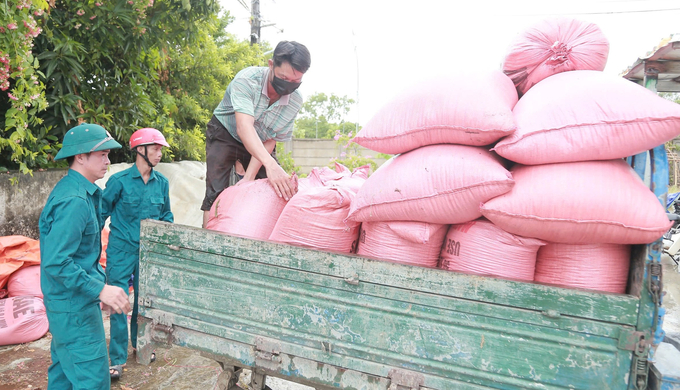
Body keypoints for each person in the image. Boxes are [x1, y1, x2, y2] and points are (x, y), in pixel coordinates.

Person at [39, 123, 132, 390]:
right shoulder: (75, 200)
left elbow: (82, 256)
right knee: (93, 380)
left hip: (70, 304)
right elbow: (57, 262)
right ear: (80, 157)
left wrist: (98, 289)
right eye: (101, 154)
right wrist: (100, 290)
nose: (107, 160)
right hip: (73, 309)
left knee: (64, 375)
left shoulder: (83, 192)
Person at [201, 40, 311, 227]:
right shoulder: (247, 80)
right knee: (216, 190)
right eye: (284, 78)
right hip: (226, 132)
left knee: (273, 187)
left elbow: (270, 139)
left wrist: (250, 177)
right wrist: (270, 164)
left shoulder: (294, 101)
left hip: (260, 141)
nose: (288, 86)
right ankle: (206, 241)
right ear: (271, 65)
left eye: (295, 82)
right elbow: (244, 127)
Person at [101, 128, 174, 380]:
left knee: (145, 302)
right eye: (155, 148)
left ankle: (141, 346)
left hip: (148, 253)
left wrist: (167, 235)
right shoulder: (118, 182)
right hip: (121, 250)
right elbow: (101, 214)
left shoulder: (162, 183)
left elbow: (166, 215)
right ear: (140, 150)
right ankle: (117, 358)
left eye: (161, 149)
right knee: (119, 303)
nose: (160, 153)